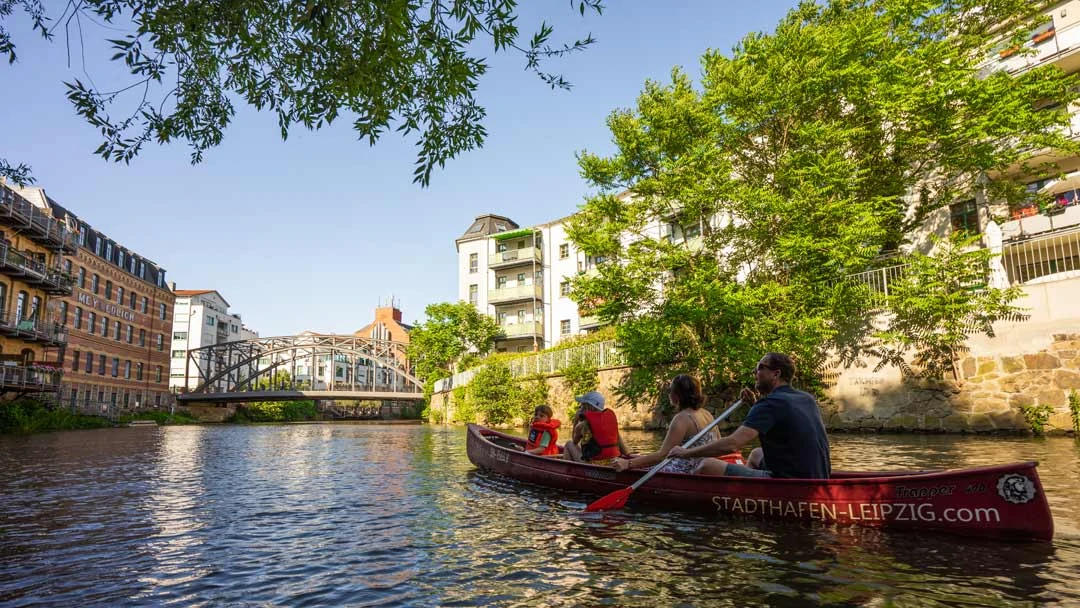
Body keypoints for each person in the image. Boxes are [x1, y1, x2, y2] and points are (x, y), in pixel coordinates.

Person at [668, 353, 831, 479]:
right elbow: (778, 421)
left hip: (789, 479)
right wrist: (753, 404)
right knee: (756, 453)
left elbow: (732, 445)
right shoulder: (805, 398)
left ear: (776, 373)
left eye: (760, 367)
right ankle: (746, 487)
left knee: (706, 465)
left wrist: (685, 453)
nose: (755, 371)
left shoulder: (769, 404)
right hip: (817, 475)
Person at [613, 374, 741, 475]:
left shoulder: (681, 419)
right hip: (703, 466)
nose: (669, 394)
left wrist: (628, 464)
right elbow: (716, 446)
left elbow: (662, 456)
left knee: (634, 463)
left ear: (677, 396)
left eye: (671, 391)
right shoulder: (707, 413)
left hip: (683, 470)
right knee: (637, 457)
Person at [563, 391, 629, 463]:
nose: (580, 407)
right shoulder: (609, 422)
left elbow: (574, 442)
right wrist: (630, 458)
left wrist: (576, 420)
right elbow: (624, 449)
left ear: (588, 406)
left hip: (593, 464)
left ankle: (568, 471)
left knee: (568, 444)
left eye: (582, 405)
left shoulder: (582, 425)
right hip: (613, 462)